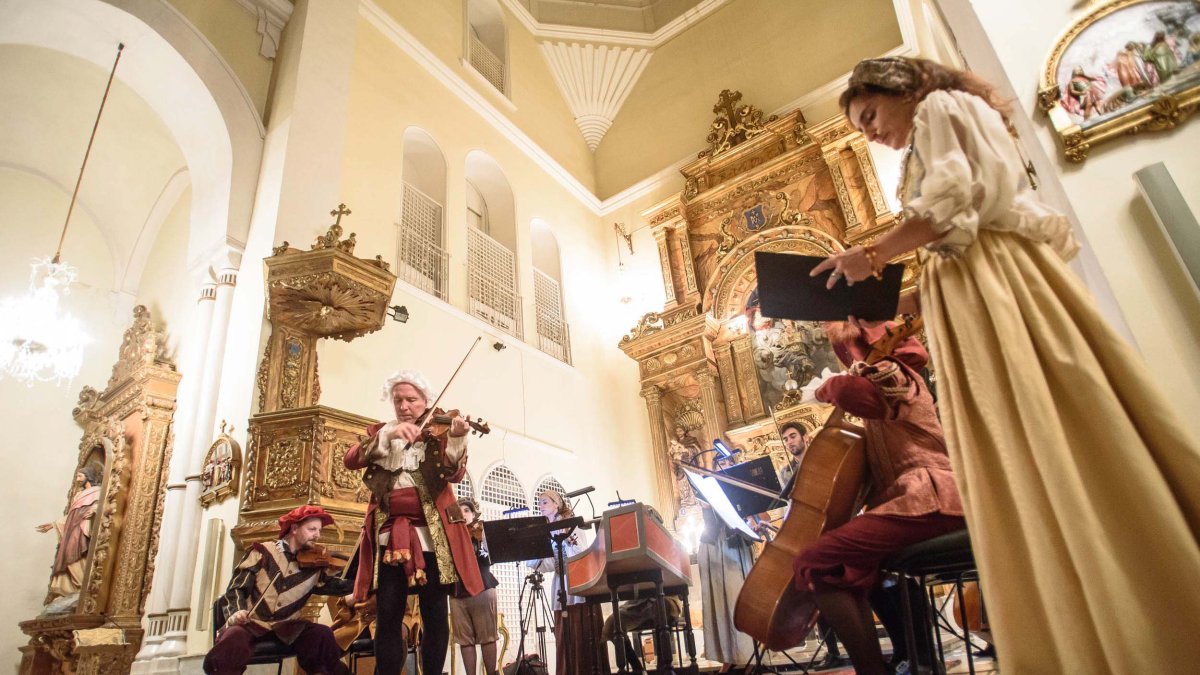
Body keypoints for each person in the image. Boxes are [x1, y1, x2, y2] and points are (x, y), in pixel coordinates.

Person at [818, 55, 1200, 673]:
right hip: (969, 284)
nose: (870, 134)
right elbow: (952, 244)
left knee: (1047, 426)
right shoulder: (930, 128)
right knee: (1015, 446)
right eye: (859, 128)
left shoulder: (941, 107)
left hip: (997, 282)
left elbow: (958, 204)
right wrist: (899, 298)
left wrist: (874, 255)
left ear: (903, 89)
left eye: (870, 116)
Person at [793, 319, 966, 675]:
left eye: (849, 352)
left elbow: (848, 391)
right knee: (854, 564)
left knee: (817, 560)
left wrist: (825, 388)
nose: (849, 360)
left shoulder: (892, 371)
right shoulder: (891, 376)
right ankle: (908, 658)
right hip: (917, 501)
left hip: (931, 497)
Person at [343, 370, 484, 675]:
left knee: (434, 612)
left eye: (411, 400)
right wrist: (389, 435)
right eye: (398, 400)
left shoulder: (436, 435)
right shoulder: (382, 433)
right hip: (390, 534)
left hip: (432, 536)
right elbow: (351, 459)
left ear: (425, 402)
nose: (404, 406)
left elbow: (452, 474)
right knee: (388, 613)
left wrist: (457, 438)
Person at [204, 505, 353, 675]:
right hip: (252, 623)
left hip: (287, 627)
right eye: (312, 529)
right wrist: (237, 611)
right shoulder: (261, 552)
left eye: (319, 530)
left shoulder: (315, 566)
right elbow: (236, 588)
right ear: (294, 528)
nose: (317, 535)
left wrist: (362, 580)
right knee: (233, 640)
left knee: (322, 635)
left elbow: (337, 587)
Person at [529, 490, 608, 674]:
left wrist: (566, 537)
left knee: (580, 632)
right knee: (564, 635)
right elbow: (551, 563)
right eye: (539, 503)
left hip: (577, 580)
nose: (541, 506)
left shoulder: (572, 525)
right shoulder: (547, 530)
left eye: (545, 502)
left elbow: (581, 554)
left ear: (557, 504)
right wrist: (533, 558)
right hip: (560, 581)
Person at [697, 454, 756, 671]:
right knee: (720, 606)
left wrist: (752, 521)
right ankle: (727, 659)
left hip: (736, 546)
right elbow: (709, 521)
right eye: (720, 464)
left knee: (738, 602)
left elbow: (759, 517)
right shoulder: (708, 489)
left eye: (728, 464)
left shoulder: (742, 488)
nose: (724, 467)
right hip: (714, 547)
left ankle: (749, 655)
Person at [37, 462, 103, 602]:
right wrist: (53, 525)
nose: (78, 479)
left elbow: (102, 505)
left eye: (80, 476)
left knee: (77, 555)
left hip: (82, 528)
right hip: (72, 529)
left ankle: (81, 586)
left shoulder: (97, 491)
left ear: (88, 476)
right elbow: (72, 515)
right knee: (67, 556)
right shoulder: (79, 495)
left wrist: (94, 511)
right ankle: (71, 589)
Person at [450, 497, 500, 675]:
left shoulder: (482, 532)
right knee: (465, 641)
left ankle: (491, 673)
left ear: (473, 514)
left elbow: (491, 557)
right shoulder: (450, 535)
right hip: (457, 593)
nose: (463, 514)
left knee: (487, 638)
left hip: (482, 588)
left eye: (467, 510)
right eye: (460, 510)